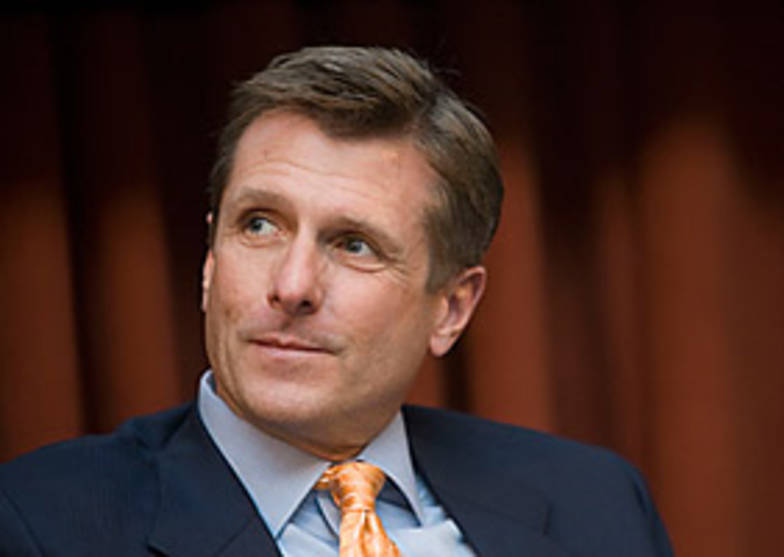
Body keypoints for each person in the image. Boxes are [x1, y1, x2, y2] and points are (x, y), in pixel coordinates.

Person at [0, 46, 673, 556]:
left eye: (354, 244)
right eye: (258, 225)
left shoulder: (596, 503)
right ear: (209, 262)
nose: (291, 286)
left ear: (451, 308)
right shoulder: (40, 523)